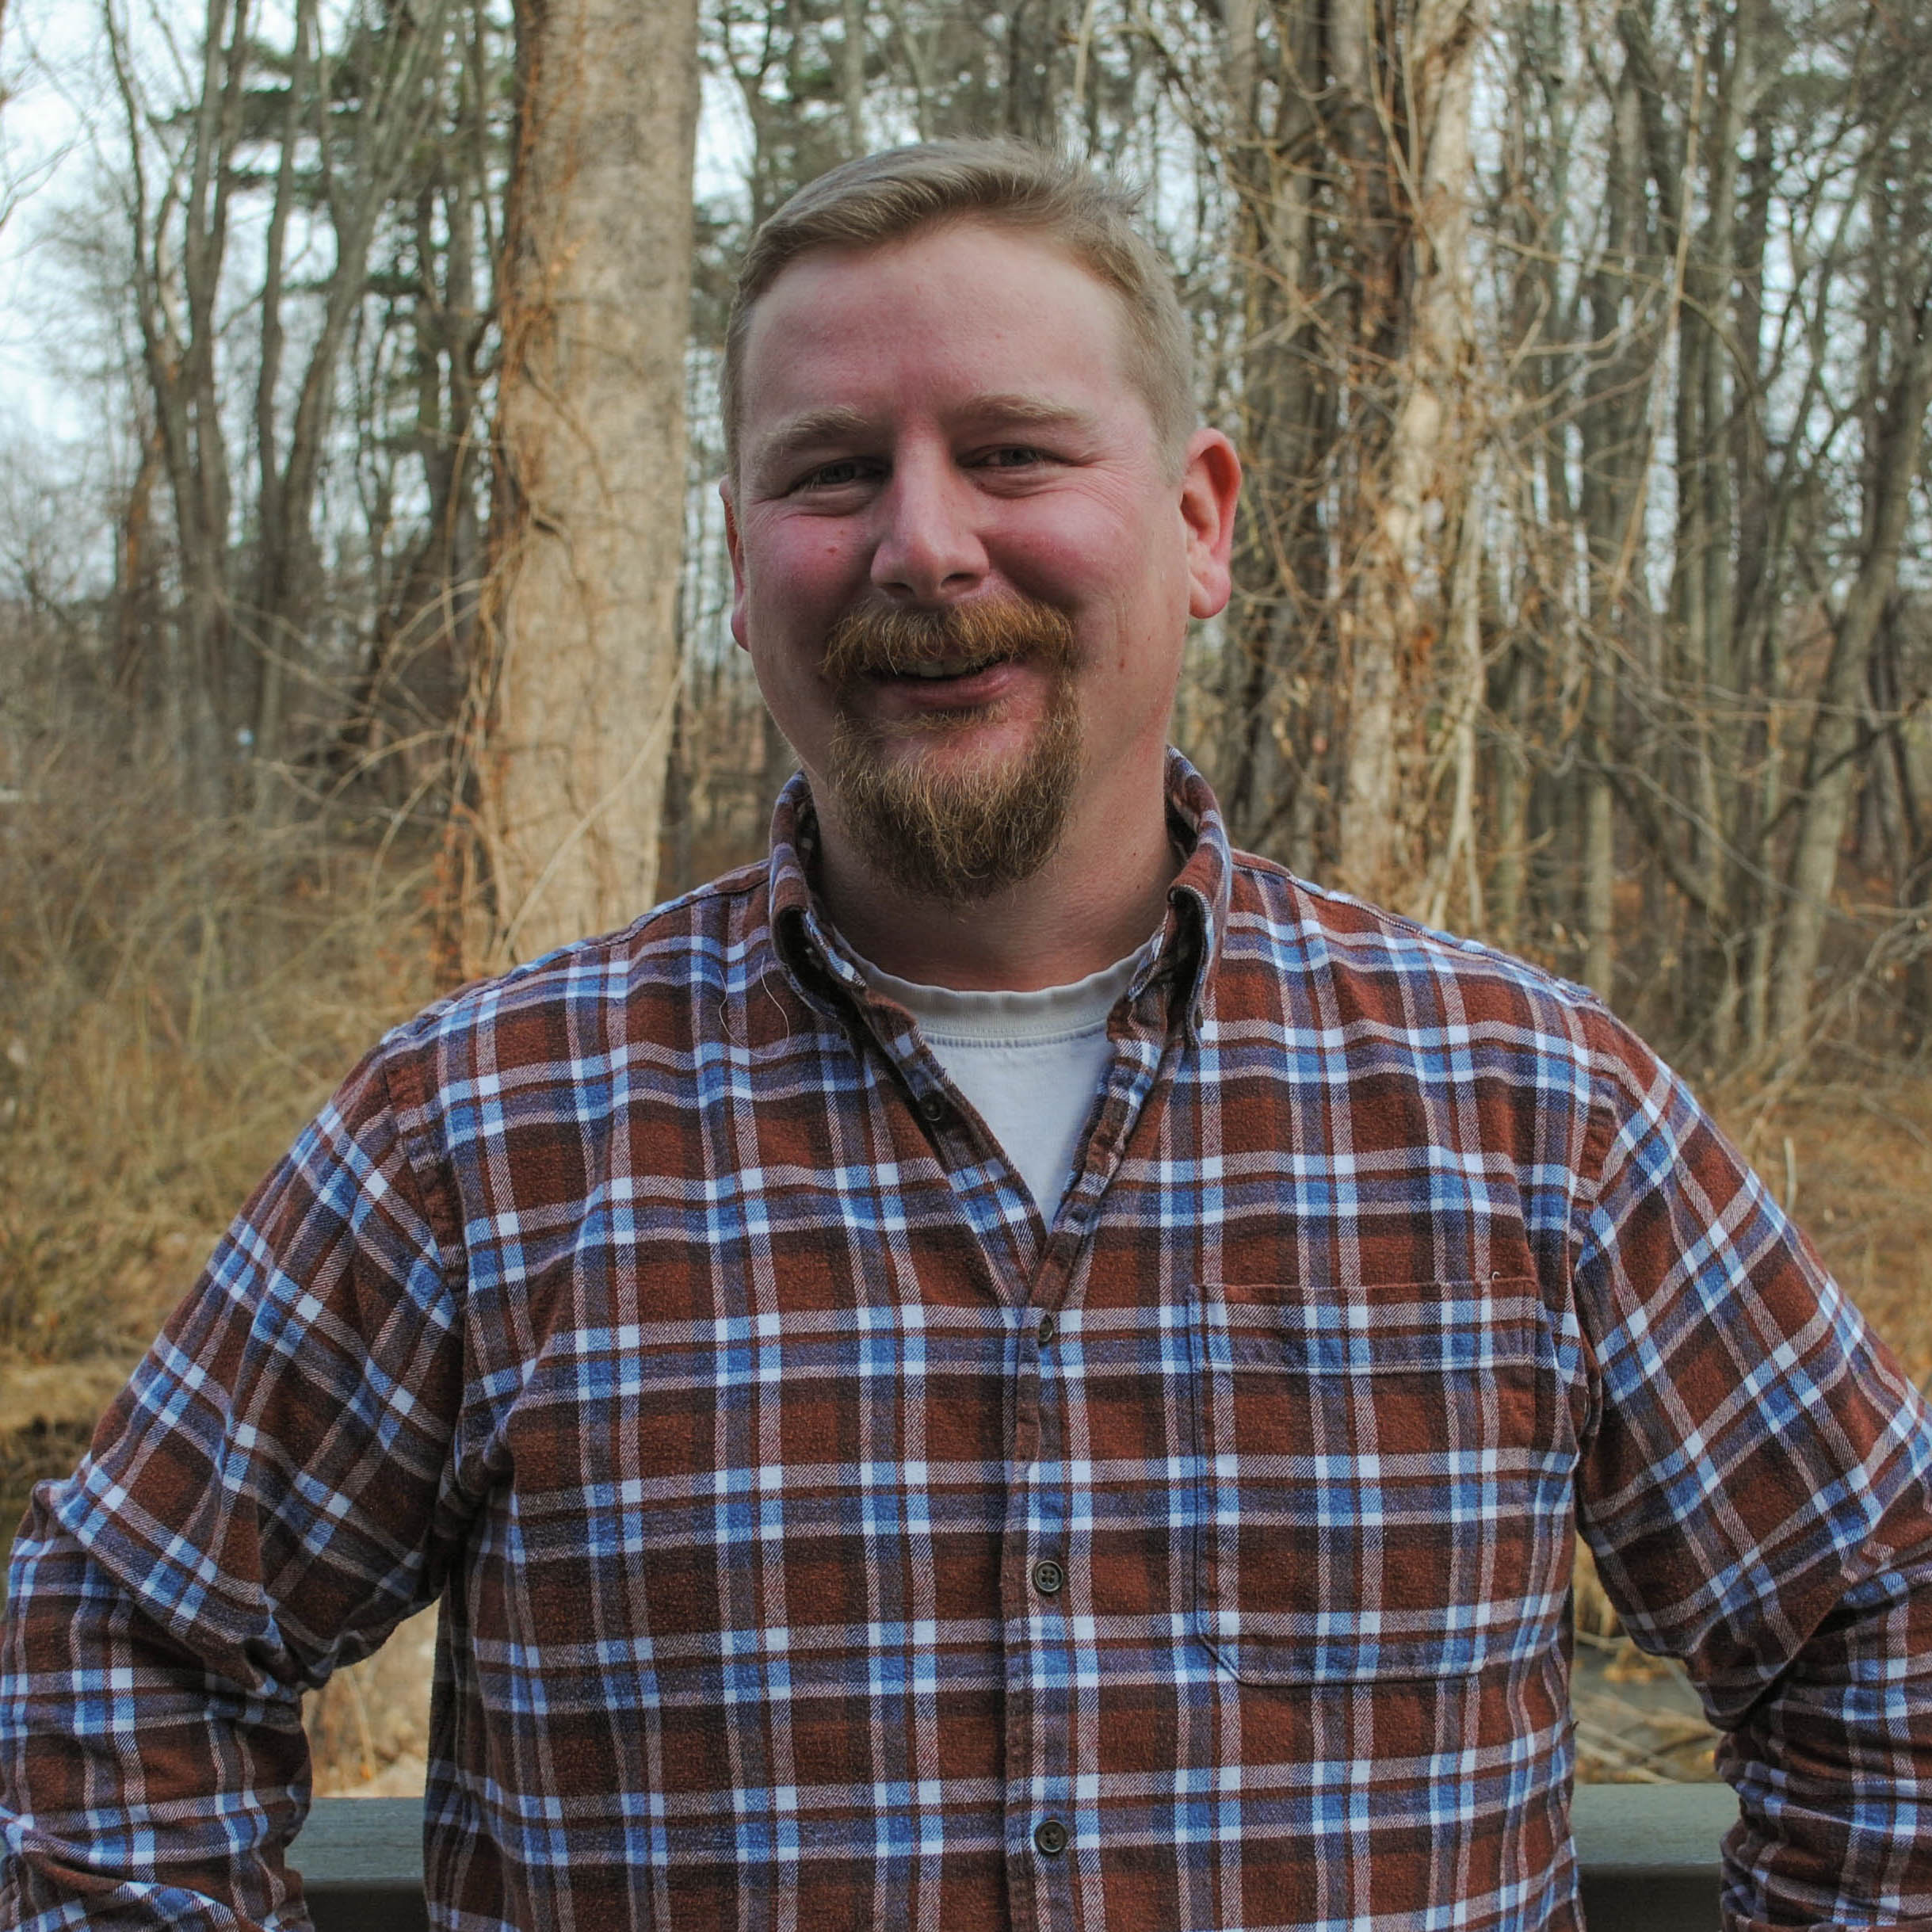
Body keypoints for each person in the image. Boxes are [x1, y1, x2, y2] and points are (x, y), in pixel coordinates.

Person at [3, 139, 1931, 1932]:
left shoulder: (1531, 1116)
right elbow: (113, 1651)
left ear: (1197, 520)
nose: (920, 543)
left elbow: (1883, 1617)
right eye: (830, 469)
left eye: (1011, 454)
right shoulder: (479, 1135)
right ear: (744, 562)